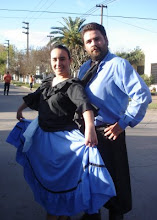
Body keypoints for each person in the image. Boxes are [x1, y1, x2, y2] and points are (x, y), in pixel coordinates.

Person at [6, 45, 116, 220]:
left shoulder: (73, 86)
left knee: (60, 184)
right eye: (55, 59)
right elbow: (35, 97)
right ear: (50, 62)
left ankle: (59, 213)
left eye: (62, 59)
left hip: (63, 143)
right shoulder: (47, 82)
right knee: (50, 181)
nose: (58, 63)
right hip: (43, 140)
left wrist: (89, 129)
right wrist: (20, 109)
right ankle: (62, 213)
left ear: (70, 61)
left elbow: (84, 106)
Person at [78, 23, 152, 220]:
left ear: (106, 40)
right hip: (87, 134)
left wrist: (123, 123)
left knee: (115, 185)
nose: (94, 44)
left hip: (110, 133)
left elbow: (142, 95)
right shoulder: (84, 68)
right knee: (90, 180)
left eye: (97, 39)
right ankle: (92, 214)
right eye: (89, 41)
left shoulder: (118, 65)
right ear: (85, 46)